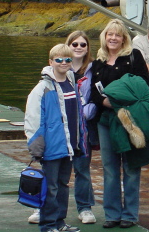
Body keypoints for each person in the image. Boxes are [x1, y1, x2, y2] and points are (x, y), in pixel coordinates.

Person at [28, 31, 97, 225]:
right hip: (53, 145)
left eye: (67, 59)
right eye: (59, 59)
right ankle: (47, 221)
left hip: (72, 142)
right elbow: (33, 118)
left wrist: (81, 137)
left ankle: (62, 220)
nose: (64, 62)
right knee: (50, 185)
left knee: (64, 183)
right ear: (51, 61)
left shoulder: (73, 82)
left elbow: (81, 112)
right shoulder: (43, 87)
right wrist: (36, 145)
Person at [90, 19, 149, 229]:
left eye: (117, 35)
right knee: (110, 169)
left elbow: (143, 86)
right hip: (106, 121)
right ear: (104, 37)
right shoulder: (98, 62)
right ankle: (112, 214)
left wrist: (116, 102)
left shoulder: (134, 57)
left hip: (130, 120)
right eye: (110, 34)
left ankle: (130, 215)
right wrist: (107, 103)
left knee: (132, 167)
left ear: (124, 38)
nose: (113, 38)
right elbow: (92, 93)